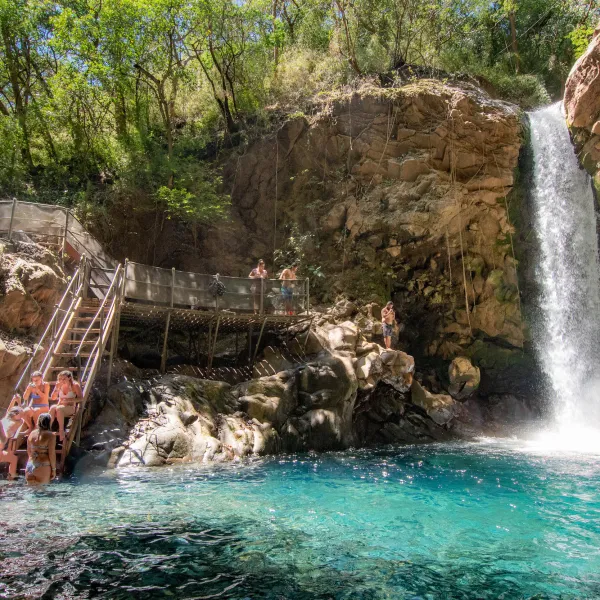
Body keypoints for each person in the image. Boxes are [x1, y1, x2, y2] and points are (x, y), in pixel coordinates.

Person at [49, 371, 83, 442]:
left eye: (64, 379)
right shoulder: (59, 385)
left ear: (69, 378)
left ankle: (61, 430)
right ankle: (48, 428)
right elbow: (53, 398)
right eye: (60, 379)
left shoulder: (75, 385)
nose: (62, 381)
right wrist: (57, 388)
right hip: (61, 405)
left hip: (70, 407)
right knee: (52, 407)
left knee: (59, 409)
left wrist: (69, 400)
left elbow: (81, 398)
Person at [25, 413, 56, 485]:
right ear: (49, 422)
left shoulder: (32, 433)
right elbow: (52, 454)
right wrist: (54, 470)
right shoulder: (51, 435)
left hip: (30, 465)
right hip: (43, 465)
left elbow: (29, 451)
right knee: (42, 493)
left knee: (30, 491)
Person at [0, 407, 26, 479]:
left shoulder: (4, 419)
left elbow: (9, 411)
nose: (22, 415)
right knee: (13, 459)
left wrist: (15, 400)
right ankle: (11, 478)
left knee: (12, 458)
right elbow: (4, 439)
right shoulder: (18, 422)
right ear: (16, 414)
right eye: (21, 414)